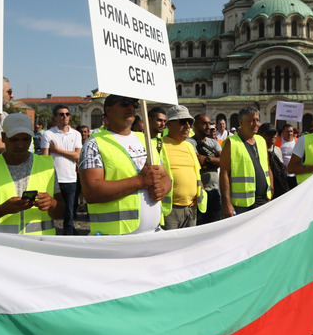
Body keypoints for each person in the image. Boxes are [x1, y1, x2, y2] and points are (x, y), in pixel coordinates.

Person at [78, 95, 171, 235]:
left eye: (134, 103)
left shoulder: (145, 139)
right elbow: (91, 192)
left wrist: (162, 188)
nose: (130, 107)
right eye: (125, 103)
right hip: (117, 239)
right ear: (108, 110)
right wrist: (139, 181)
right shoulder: (93, 144)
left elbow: (165, 177)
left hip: (153, 233)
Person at [0, 113, 62, 234]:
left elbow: (61, 211)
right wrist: (2, 210)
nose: (20, 145)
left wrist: (52, 204)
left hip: (38, 248)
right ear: (3, 137)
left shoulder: (47, 167)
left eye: (25, 139)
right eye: (14, 139)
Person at [159, 105, 206, 229]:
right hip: (170, 211)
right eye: (182, 122)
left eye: (189, 122)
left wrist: (199, 193)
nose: (187, 126)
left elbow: (197, 173)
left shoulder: (189, 146)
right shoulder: (158, 146)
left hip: (191, 208)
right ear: (169, 124)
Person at [220, 106, 272, 217]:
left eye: (257, 120)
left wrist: (271, 190)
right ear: (241, 122)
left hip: (263, 199)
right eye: (251, 121)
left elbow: (267, 167)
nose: (256, 124)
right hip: (241, 205)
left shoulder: (261, 140)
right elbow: (224, 173)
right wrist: (226, 203)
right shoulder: (231, 143)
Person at [40, 104, 82, 235]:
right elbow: (45, 158)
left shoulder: (76, 134)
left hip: (70, 178)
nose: (65, 117)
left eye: (67, 114)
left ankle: (68, 237)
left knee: (69, 212)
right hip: (53, 179)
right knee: (50, 209)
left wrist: (57, 150)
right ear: (55, 117)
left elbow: (77, 155)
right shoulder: (48, 134)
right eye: (61, 114)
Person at [186, 113, 221, 225]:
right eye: (204, 123)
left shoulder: (214, 142)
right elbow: (197, 163)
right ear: (195, 125)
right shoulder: (189, 143)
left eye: (209, 123)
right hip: (199, 193)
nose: (208, 126)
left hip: (214, 192)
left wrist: (206, 159)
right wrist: (214, 161)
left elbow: (223, 161)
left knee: (215, 225)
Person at [278, 124, 298, 190]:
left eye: (291, 131)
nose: (289, 133)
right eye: (287, 131)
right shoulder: (277, 143)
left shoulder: (298, 142)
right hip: (283, 175)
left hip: (295, 174)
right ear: (283, 133)